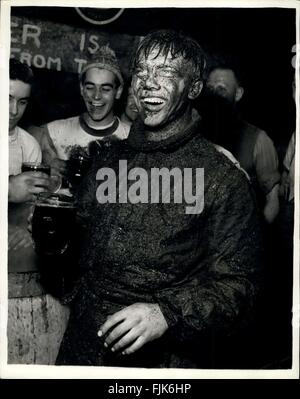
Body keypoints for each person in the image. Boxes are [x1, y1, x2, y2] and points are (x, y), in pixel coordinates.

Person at [56, 30, 262, 368]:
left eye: (165, 71)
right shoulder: (107, 160)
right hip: (83, 346)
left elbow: (240, 287)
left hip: (161, 361)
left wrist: (166, 314)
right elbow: (77, 253)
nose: (148, 83)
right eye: (141, 70)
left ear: (193, 88)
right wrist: (56, 245)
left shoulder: (221, 177)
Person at [7, 59, 69, 364]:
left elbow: (29, 207)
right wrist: (8, 188)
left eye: (21, 101)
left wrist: (32, 216)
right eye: (5, 98)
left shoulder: (28, 144)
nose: (12, 111)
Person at [29, 45, 130, 183]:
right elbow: (25, 133)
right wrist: (47, 156)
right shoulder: (59, 130)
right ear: (82, 89)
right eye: (90, 87)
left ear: (118, 92)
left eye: (105, 89)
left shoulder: (131, 137)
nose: (96, 96)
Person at [202, 57, 280, 224]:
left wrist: (256, 238)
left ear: (238, 94)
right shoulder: (197, 135)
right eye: (210, 88)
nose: (215, 93)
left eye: (222, 89)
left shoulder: (259, 139)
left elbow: (273, 202)